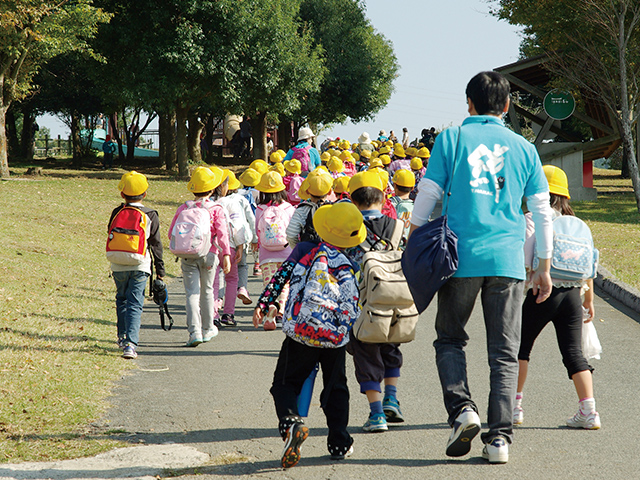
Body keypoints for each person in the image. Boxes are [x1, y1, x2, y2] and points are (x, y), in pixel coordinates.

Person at [408, 71, 554, 464]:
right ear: (506, 107)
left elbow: (430, 193)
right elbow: (542, 211)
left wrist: (412, 237)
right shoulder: (524, 148)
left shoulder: (451, 139)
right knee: (504, 353)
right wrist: (544, 265)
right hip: (508, 262)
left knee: (450, 338)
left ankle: (463, 411)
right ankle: (499, 441)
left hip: (458, 260)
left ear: (468, 103)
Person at [252, 201, 365, 468]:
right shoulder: (352, 261)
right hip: (334, 336)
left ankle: (291, 422)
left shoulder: (305, 249)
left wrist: (267, 302)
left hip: (301, 332)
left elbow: (282, 275)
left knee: (285, 382)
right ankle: (339, 441)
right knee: (336, 386)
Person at [515, 165, 600, 430]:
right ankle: (589, 411)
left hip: (541, 292)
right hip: (574, 296)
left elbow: (525, 257)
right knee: (574, 354)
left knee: (520, 348)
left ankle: (514, 406)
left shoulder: (533, 218)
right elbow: (589, 264)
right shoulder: (575, 223)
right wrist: (589, 300)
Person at [343, 170, 405, 432]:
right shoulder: (398, 226)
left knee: (366, 355)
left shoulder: (349, 229)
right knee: (391, 349)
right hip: (395, 301)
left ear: (353, 201)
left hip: (363, 305)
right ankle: (392, 398)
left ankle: (377, 414)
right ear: (383, 197)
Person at [168, 167, 231, 346]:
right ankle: (208, 327)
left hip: (188, 256)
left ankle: (194, 332)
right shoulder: (215, 208)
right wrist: (226, 254)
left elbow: (171, 233)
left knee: (192, 293)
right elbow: (223, 234)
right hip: (209, 254)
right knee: (208, 290)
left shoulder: (183, 208)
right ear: (212, 190)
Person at [108, 171, 165, 359]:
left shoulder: (117, 212)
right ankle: (131, 345)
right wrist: (161, 271)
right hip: (140, 264)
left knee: (121, 299)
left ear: (122, 194)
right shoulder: (150, 214)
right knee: (135, 303)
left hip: (117, 262)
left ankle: (122, 336)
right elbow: (156, 245)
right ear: (145, 194)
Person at [255, 171, 296, 330]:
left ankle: (270, 306)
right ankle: (280, 311)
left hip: (266, 254)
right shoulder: (289, 208)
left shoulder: (260, 208)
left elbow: (257, 231)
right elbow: (293, 232)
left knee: (270, 285)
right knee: (284, 284)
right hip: (286, 252)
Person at [217, 170, 257, 325]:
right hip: (236, 242)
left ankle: (218, 301)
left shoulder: (214, 202)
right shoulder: (239, 200)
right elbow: (247, 220)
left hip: (216, 246)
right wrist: (252, 238)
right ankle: (241, 289)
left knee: (218, 275)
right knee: (240, 269)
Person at [286, 172, 333, 248]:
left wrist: (299, 249)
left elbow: (291, 234)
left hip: (309, 255)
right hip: (330, 254)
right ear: (330, 192)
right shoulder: (333, 209)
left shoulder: (302, 210)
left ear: (307, 191)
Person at [389, 169, 415, 242]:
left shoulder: (390, 204)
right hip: (411, 245)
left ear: (395, 186)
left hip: (394, 245)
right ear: (412, 188)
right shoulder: (417, 206)